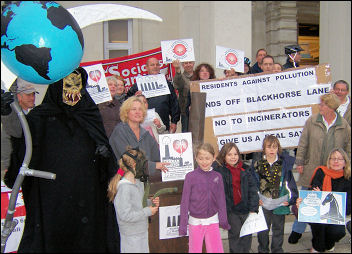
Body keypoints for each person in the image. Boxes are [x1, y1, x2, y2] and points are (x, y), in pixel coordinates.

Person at [2, 67, 118, 252]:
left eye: (76, 86)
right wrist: (8, 114)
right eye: (67, 86)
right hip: (52, 201)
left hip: (87, 198)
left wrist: (104, 157)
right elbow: (23, 146)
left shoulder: (90, 115)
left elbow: (108, 165)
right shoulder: (39, 118)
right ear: (57, 87)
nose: (72, 92)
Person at [288, 93, 351, 244]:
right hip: (313, 168)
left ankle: (326, 235)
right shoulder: (311, 121)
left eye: (323, 104)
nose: (320, 106)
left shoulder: (344, 126)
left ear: (331, 107)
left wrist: (346, 165)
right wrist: (300, 162)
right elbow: (303, 143)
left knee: (329, 202)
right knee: (306, 200)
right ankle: (297, 230)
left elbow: (348, 148)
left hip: (334, 171)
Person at [296, 148, 351, 253]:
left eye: (339, 159)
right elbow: (311, 193)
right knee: (319, 225)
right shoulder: (321, 172)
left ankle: (329, 244)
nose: (336, 161)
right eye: (333, 158)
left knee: (338, 232)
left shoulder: (348, 178)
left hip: (336, 214)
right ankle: (317, 248)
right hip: (317, 212)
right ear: (328, 161)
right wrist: (312, 197)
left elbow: (348, 205)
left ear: (345, 162)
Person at [179, 143, 230, 253]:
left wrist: (223, 220)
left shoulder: (217, 176)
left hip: (213, 220)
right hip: (195, 221)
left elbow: (221, 200)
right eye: (201, 158)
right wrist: (183, 225)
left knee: (216, 250)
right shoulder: (190, 177)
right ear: (196, 158)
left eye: (207, 158)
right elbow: (184, 202)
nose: (204, 161)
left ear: (213, 157)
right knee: (194, 250)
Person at [251, 135, 298, 253]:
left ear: (278, 149)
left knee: (278, 229)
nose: (272, 150)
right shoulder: (258, 165)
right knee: (262, 230)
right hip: (264, 204)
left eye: (275, 147)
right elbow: (252, 185)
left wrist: (291, 200)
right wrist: (256, 199)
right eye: (269, 147)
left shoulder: (284, 166)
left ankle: (277, 250)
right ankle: (263, 250)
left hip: (279, 204)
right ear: (264, 149)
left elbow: (290, 184)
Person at [107, 147, 160, 253]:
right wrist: (148, 211)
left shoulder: (138, 182)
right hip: (131, 235)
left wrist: (151, 203)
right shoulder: (124, 188)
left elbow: (138, 204)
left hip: (141, 231)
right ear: (135, 165)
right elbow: (125, 215)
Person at [109, 96, 169, 183]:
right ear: (126, 112)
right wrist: (154, 166)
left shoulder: (146, 134)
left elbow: (158, 158)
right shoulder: (119, 132)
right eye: (134, 109)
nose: (138, 112)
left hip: (143, 180)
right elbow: (128, 162)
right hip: (124, 179)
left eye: (140, 109)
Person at [212, 142, 259, 253]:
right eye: (229, 155)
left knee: (247, 234)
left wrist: (253, 208)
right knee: (235, 234)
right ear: (224, 156)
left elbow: (253, 189)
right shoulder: (220, 170)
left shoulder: (246, 169)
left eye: (235, 154)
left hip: (246, 208)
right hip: (232, 209)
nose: (233, 157)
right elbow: (211, 171)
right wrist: (215, 161)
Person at [126, 57, 180, 133]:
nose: (155, 67)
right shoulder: (139, 84)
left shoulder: (166, 83)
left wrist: (174, 121)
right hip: (143, 126)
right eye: (152, 65)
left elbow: (174, 103)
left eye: (157, 65)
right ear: (146, 68)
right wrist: (134, 97)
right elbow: (126, 102)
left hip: (163, 125)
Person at [1, 78, 38, 179]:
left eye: (33, 94)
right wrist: (5, 167)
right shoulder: (13, 119)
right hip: (12, 171)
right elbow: (8, 138)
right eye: (28, 95)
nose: (32, 98)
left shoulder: (33, 116)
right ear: (19, 96)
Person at [172, 59, 195, 132]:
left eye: (190, 62)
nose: (188, 64)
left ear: (193, 64)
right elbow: (177, 85)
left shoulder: (199, 75)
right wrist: (177, 70)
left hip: (201, 112)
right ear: (182, 65)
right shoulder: (180, 77)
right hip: (186, 113)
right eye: (186, 63)